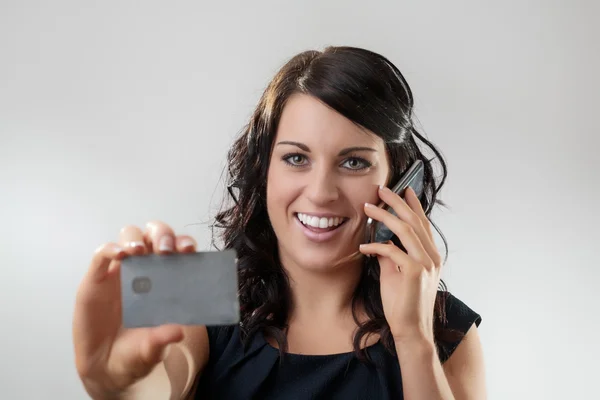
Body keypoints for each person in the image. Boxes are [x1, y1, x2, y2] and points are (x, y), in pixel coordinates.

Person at [73, 46, 486, 399]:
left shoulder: (443, 327)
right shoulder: (193, 287)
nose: (321, 191)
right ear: (264, 169)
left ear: (397, 182)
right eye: (296, 158)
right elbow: (158, 379)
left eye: (354, 162)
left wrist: (414, 339)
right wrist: (118, 381)